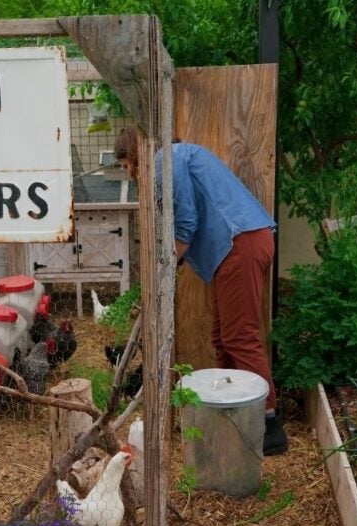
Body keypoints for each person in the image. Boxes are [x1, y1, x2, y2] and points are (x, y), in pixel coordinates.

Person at [113, 127, 288, 456]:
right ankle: (236, 413)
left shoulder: (166, 159)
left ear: (135, 155)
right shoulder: (178, 156)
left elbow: (187, 221)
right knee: (224, 337)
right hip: (240, 244)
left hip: (241, 243)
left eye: (125, 165)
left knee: (240, 337)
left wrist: (166, 268)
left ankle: (267, 424)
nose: (129, 173)